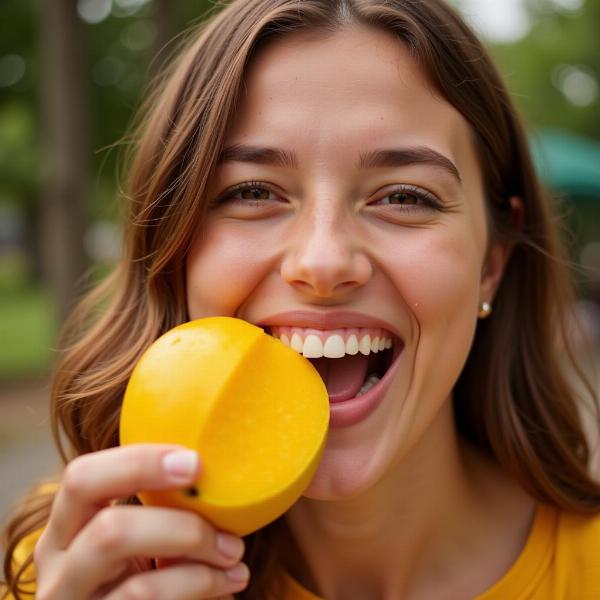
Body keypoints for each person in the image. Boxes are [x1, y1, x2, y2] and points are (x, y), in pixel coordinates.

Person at [3, 0, 600, 598]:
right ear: (176, 249)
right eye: (253, 191)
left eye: (405, 197)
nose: (322, 261)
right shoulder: (69, 564)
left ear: (490, 264)